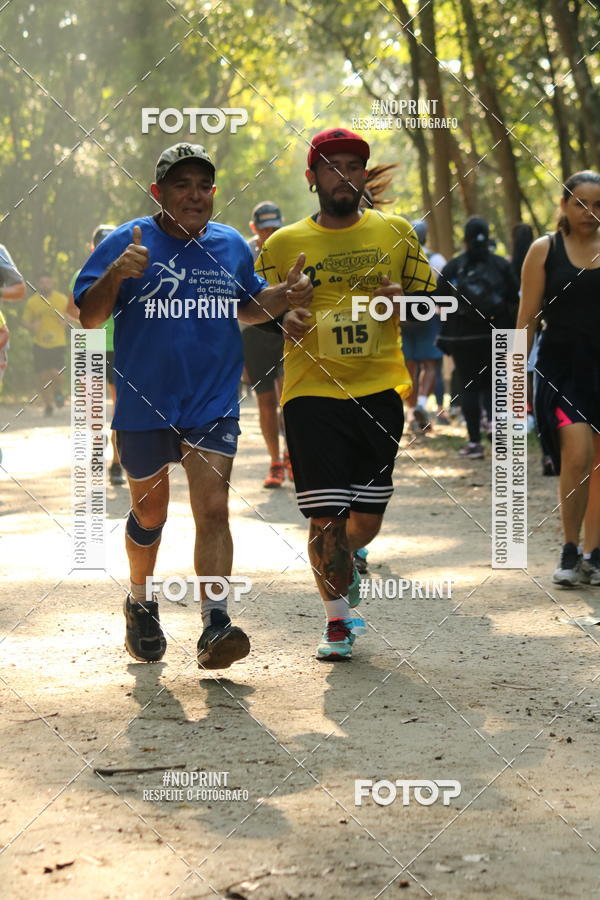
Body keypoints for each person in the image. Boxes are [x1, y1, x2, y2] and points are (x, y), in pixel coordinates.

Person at [74, 142, 312, 669]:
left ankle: (215, 623)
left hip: (212, 402)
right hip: (145, 404)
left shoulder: (230, 245)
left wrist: (285, 295)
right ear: (158, 192)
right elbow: (88, 317)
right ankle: (140, 601)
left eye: (204, 186)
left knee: (213, 507)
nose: (195, 195)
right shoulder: (127, 240)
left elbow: (248, 306)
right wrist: (116, 273)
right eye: (181, 185)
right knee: (149, 514)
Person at [256, 127, 436, 660]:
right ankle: (337, 621)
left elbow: (435, 303)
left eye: (353, 166)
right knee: (325, 516)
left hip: (378, 390)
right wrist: (283, 315)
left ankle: (343, 560)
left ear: (363, 175)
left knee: (367, 519)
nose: (343, 176)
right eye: (331, 167)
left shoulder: (396, 233)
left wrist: (406, 301)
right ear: (311, 178)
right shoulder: (282, 244)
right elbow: (252, 309)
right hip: (311, 394)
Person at [518, 170, 600, 586]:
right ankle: (570, 548)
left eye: (598, 205)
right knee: (578, 453)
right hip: (560, 368)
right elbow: (527, 318)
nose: (590, 212)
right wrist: (513, 378)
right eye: (581, 203)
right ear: (564, 204)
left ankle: (594, 553)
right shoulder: (544, 250)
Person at [438, 217, 519, 458]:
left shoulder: (454, 267)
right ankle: (495, 429)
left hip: (463, 338)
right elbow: (514, 297)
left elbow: (439, 298)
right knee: (495, 383)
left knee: (469, 386)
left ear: (464, 239)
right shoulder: (501, 265)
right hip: (496, 335)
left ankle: (474, 443)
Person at [68, 225, 126, 486]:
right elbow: (71, 309)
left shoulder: (127, 275)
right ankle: (100, 448)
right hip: (96, 344)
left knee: (116, 407)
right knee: (97, 406)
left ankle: (114, 462)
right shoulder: (83, 274)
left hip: (116, 344)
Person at [243, 202, 292, 487]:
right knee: (266, 402)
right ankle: (275, 462)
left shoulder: (291, 246)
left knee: (289, 399)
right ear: (254, 228)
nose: (270, 233)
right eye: (265, 229)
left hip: (287, 331)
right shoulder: (243, 252)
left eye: (275, 227)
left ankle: (291, 455)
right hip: (254, 335)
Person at [404, 219, 447, 430]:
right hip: (429, 315)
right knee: (430, 365)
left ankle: (412, 414)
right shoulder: (436, 259)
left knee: (409, 366)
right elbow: (445, 288)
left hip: (403, 317)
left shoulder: (400, 256)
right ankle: (421, 404)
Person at [22, 273, 70, 416]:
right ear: (38, 284)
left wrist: (65, 321)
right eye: (42, 283)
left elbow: (71, 315)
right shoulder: (32, 302)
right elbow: (25, 321)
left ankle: (58, 391)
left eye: (48, 282)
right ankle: (48, 405)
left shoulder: (61, 299)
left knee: (56, 374)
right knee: (43, 376)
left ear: (53, 284)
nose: (45, 285)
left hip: (58, 343)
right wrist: (32, 326)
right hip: (40, 343)